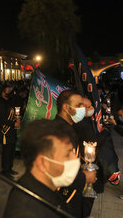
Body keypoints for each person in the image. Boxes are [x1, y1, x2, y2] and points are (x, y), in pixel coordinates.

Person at [4, 119, 80, 218]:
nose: (74, 158)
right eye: (67, 154)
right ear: (43, 163)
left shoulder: (46, 188)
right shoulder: (26, 212)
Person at [55, 90, 97, 218]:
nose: (82, 110)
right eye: (79, 106)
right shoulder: (57, 132)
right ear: (66, 107)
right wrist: (85, 177)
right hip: (62, 202)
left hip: (74, 197)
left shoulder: (70, 128)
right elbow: (56, 173)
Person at [0, 85, 20, 179]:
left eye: (10, 89)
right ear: (2, 91)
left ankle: (9, 168)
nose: (9, 91)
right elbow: (2, 118)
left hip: (12, 130)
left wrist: (17, 119)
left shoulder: (10, 101)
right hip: (5, 130)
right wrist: (13, 124)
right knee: (7, 151)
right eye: (7, 89)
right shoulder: (0, 103)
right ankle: (5, 170)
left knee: (12, 150)